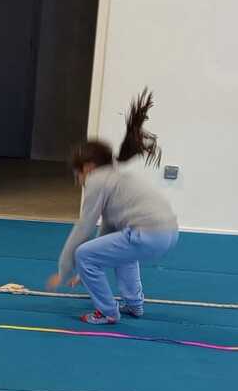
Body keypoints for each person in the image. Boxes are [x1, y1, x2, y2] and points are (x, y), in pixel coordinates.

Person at [46, 90, 178, 325]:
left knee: (83, 253)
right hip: (167, 233)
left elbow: (84, 228)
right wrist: (86, 270)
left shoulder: (97, 180)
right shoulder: (114, 176)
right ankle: (134, 304)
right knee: (122, 253)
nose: (78, 180)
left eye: (78, 173)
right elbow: (109, 233)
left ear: (88, 167)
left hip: (147, 234)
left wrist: (64, 271)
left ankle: (107, 312)